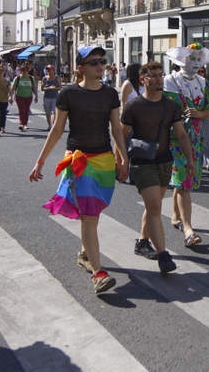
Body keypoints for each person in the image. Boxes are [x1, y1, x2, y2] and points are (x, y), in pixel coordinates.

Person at [29, 45, 128, 295]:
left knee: (94, 212)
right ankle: (98, 274)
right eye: (94, 62)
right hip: (79, 162)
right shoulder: (69, 94)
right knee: (89, 215)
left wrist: (123, 158)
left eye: (102, 61)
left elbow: (116, 128)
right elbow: (57, 130)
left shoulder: (110, 94)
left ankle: (85, 253)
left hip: (104, 161)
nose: (100, 66)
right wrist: (40, 161)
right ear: (81, 67)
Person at [122, 62, 194, 273]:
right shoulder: (134, 106)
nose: (158, 79)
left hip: (164, 161)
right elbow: (121, 134)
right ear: (142, 80)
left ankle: (142, 241)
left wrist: (190, 159)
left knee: (153, 206)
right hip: (142, 162)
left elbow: (181, 134)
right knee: (154, 206)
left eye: (160, 75)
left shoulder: (171, 105)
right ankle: (163, 255)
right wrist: (122, 161)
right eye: (152, 76)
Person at [162, 44, 209, 247]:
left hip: (196, 139)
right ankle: (188, 229)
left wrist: (199, 114)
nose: (196, 62)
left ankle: (176, 216)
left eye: (199, 58)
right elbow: (168, 107)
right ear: (182, 59)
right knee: (184, 183)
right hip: (177, 138)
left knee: (184, 180)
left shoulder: (203, 82)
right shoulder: (171, 80)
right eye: (192, 58)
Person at [9, 62, 38, 131]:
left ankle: (25, 124)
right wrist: (10, 97)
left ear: (28, 71)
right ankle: (21, 124)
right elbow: (12, 88)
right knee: (22, 110)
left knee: (26, 110)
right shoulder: (18, 78)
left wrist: (36, 96)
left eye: (25, 70)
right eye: (22, 70)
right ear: (20, 71)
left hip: (28, 96)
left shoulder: (31, 78)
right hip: (19, 96)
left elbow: (34, 88)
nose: (24, 72)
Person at [41, 64, 61, 129]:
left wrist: (55, 88)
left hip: (55, 97)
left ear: (53, 70)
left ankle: (53, 124)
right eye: (48, 70)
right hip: (47, 97)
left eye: (50, 70)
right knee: (47, 112)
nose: (49, 71)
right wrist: (49, 88)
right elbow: (42, 88)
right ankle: (49, 125)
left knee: (54, 112)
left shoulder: (57, 78)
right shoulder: (44, 78)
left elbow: (60, 87)